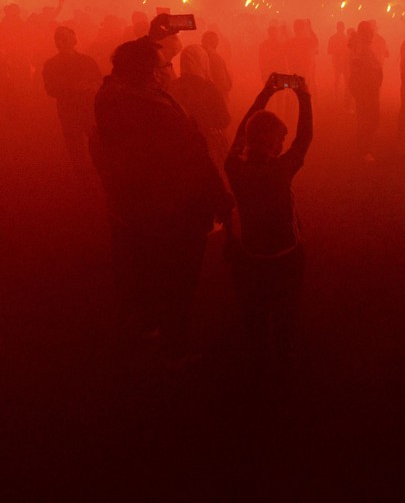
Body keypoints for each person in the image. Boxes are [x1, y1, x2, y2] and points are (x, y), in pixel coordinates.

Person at [91, 39, 232, 359]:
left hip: (132, 207)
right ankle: (174, 344)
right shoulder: (157, 114)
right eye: (164, 64)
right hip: (171, 211)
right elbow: (192, 161)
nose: (171, 68)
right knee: (177, 277)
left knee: (143, 270)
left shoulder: (111, 96)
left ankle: (146, 326)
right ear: (152, 74)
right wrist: (218, 198)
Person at [225, 75, 313, 364]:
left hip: (250, 256)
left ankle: (258, 362)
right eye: (281, 140)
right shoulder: (280, 170)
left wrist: (265, 93)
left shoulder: (234, 167)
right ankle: (284, 365)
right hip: (286, 255)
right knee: (286, 314)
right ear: (276, 144)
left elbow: (242, 133)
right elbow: (304, 138)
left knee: (255, 314)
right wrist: (304, 96)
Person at [42, 26, 102, 177]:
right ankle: (83, 177)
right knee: (75, 145)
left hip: (88, 107)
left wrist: (92, 86)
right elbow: (51, 89)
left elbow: (99, 80)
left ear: (74, 39)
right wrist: (73, 88)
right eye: (58, 37)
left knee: (95, 140)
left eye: (64, 37)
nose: (61, 40)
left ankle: (98, 171)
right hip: (68, 110)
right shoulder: (51, 65)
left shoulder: (86, 60)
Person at [169, 44, 231, 168]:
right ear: (203, 61)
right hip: (207, 148)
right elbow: (224, 119)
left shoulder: (171, 87)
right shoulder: (209, 88)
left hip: (178, 149)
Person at [348, 20, 384, 161]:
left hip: (367, 89)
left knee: (367, 119)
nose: (373, 35)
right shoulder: (361, 48)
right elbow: (360, 70)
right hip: (365, 89)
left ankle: (363, 147)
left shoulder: (362, 46)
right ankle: (364, 150)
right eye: (371, 32)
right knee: (367, 120)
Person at [201, 30, 234, 102]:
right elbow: (221, 79)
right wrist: (226, 87)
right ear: (214, 41)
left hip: (205, 94)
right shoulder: (214, 56)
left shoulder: (200, 54)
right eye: (216, 40)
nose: (218, 42)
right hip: (217, 94)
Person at [327, 21, 349, 106]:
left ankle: (342, 98)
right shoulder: (334, 38)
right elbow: (329, 50)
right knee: (337, 80)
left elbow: (348, 50)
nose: (341, 29)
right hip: (337, 61)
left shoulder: (346, 39)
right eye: (340, 27)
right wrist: (337, 52)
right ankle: (337, 98)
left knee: (343, 80)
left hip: (343, 62)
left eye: (341, 27)